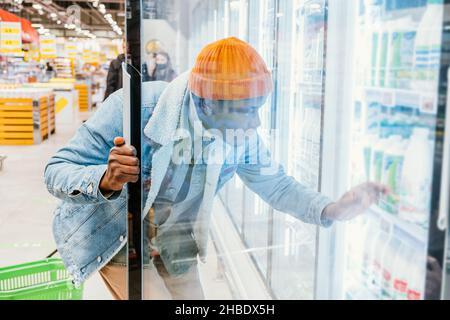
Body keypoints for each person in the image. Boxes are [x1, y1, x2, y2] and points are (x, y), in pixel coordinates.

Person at [44, 37, 388, 300]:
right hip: (119, 237)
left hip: (175, 243)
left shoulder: (239, 133)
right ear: (206, 101)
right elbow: (57, 169)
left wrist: (332, 208)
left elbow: (277, 185)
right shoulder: (135, 108)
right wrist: (106, 179)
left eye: (259, 108)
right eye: (246, 109)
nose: (255, 123)